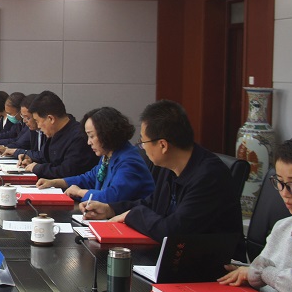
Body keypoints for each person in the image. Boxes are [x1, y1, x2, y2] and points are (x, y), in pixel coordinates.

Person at [81, 100, 242, 245]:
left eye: (143, 141)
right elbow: (152, 203)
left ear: (163, 145)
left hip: (215, 262)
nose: (142, 147)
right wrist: (110, 209)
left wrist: (132, 215)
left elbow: (173, 232)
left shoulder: (208, 176)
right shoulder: (169, 166)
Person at [218, 132, 292, 292]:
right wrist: (241, 271)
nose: (284, 193)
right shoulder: (283, 226)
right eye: (280, 182)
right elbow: (265, 278)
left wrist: (262, 273)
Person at [36, 107, 154, 203]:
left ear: (106, 134)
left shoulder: (129, 161)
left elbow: (112, 197)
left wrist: (79, 192)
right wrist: (55, 182)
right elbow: (89, 178)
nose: (89, 142)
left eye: (91, 136)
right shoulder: (108, 154)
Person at [16, 91, 96, 179]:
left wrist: (38, 168)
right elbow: (45, 157)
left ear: (51, 119)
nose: (38, 126)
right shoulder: (55, 133)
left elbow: (67, 172)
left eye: (37, 121)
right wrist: (31, 160)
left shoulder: (78, 137)